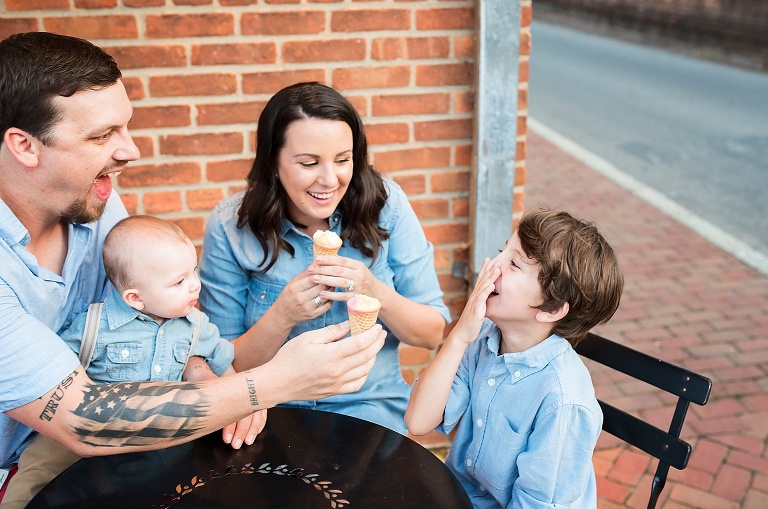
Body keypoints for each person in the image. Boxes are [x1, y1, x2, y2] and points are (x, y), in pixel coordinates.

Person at [0, 31, 385, 505]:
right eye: (102, 135)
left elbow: (157, 323)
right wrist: (273, 382)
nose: (130, 150)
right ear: (24, 145)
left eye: (125, 127)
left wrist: (205, 373)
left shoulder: (90, 199)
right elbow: (85, 420)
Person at [199, 82, 451, 434]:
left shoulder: (386, 206)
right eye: (309, 162)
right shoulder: (231, 225)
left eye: (343, 160)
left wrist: (374, 290)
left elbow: (431, 333)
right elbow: (226, 364)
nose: (330, 179)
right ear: (273, 162)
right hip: (272, 409)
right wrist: (283, 315)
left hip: (370, 405)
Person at [3, 215, 269, 508]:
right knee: (38, 468)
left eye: (193, 271)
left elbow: (224, 365)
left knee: (171, 481)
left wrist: (240, 402)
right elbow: (59, 375)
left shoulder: (196, 325)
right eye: (179, 281)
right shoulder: (94, 326)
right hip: (92, 430)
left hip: (160, 435)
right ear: (135, 298)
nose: (195, 285)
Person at [405, 207, 624, 508]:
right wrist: (458, 337)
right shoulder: (482, 337)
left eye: (514, 264)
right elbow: (418, 421)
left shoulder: (563, 400)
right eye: (501, 251)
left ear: (551, 309)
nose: (493, 265)